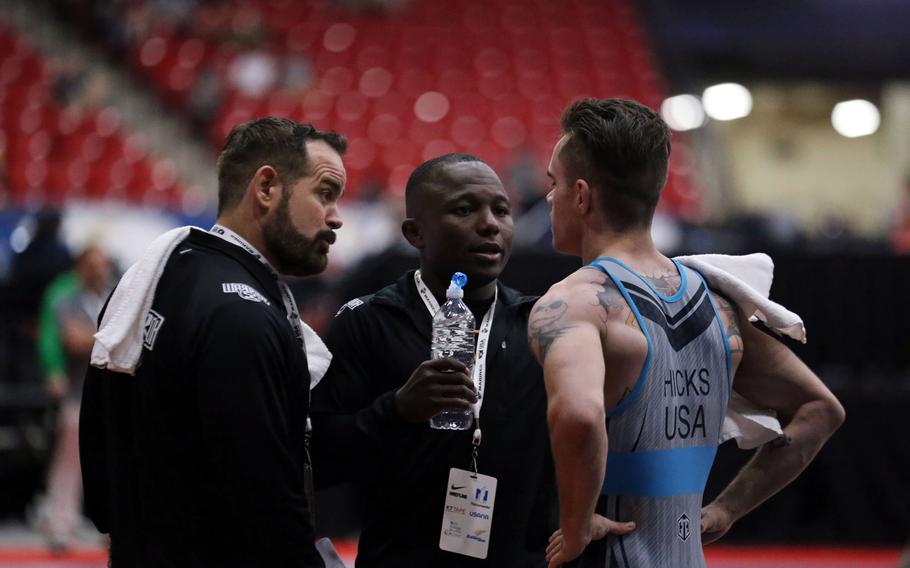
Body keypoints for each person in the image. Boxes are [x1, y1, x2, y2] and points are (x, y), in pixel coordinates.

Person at [528, 99, 845, 567]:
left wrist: (576, 528)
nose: (549, 198)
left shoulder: (574, 303)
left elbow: (578, 417)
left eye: (553, 184)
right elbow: (821, 410)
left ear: (581, 195)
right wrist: (727, 509)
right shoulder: (719, 305)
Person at [79, 117, 347, 566]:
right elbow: (264, 503)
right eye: (324, 193)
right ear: (266, 188)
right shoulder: (241, 316)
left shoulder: (157, 277)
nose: (336, 217)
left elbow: (100, 464)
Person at [311, 153, 556, 566]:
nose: (490, 224)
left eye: (501, 210)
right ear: (414, 232)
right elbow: (319, 458)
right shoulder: (368, 322)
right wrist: (396, 411)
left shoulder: (539, 324)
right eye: (464, 209)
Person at [38, 245, 112, 551]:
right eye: (91, 264)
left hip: (110, 393)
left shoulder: (114, 297)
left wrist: (91, 335)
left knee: (113, 460)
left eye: (102, 264)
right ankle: (60, 525)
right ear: (81, 268)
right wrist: (109, 335)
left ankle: (113, 526)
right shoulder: (67, 300)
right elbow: (72, 340)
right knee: (69, 462)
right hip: (78, 391)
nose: (97, 270)